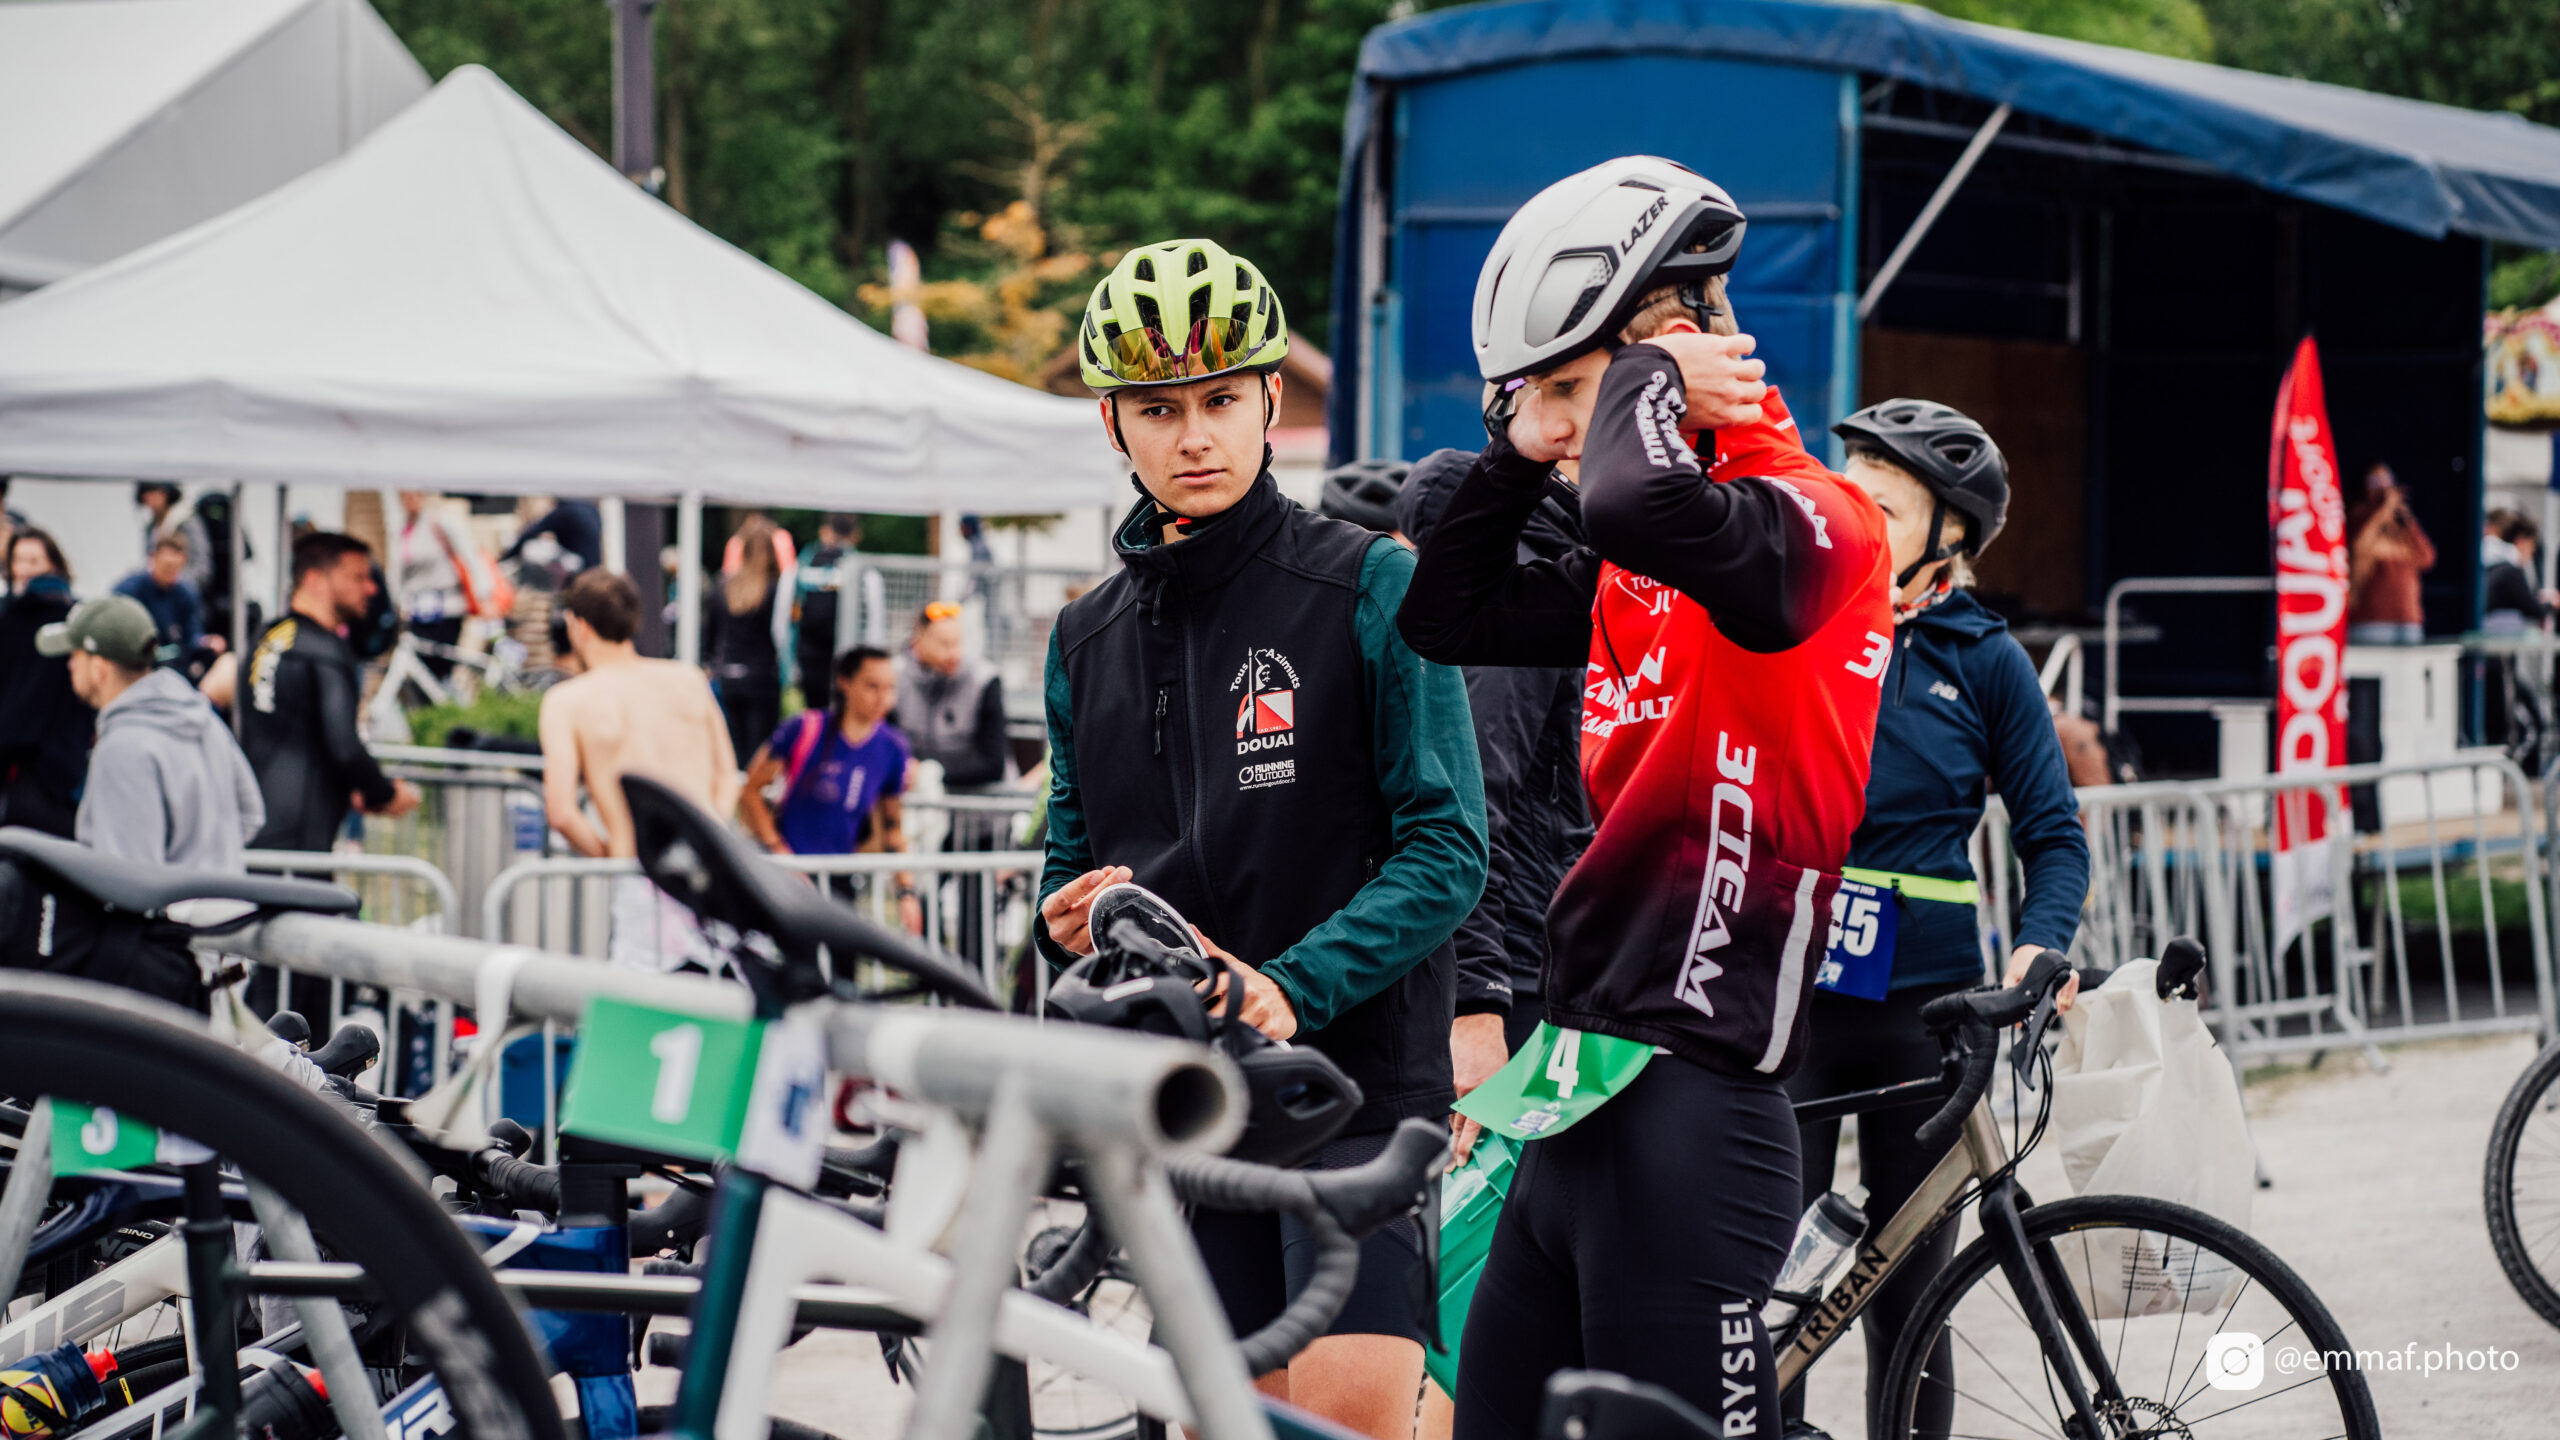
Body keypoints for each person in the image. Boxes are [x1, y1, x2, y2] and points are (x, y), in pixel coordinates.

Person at [1393, 156, 1892, 1440]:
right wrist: (1517, 441)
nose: (1559, 430)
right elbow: (1440, 616)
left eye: (1570, 391)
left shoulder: (1818, 523)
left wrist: (1651, 375)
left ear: (1672, 350)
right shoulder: (1633, 569)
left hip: (1695, 1113)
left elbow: (1633, 492)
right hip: (1574, 1092)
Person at [1036, 237, 1487, 1440]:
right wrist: (1060, 920)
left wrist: (1291, 985)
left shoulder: (1372, 583)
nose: (1195, 436)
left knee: (1347, 1422)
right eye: (1159, 409)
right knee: (1221, 1425)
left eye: (1222, 400)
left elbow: (1449, 848)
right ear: (1113, 423)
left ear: (1270, 402)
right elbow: (1066, 865)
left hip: (1355, 1086)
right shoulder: (1082, 638)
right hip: (1192, 1102)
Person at [1781, 399, 2091, 1440]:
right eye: (1846, 498)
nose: (1851, 521)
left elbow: (2054, 836)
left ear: (1949, 535)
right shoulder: (1790, 622)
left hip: (1929, 1014)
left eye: (1882, 507)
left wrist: (2040, 949)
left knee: (1910, 1295)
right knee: (1770, 1290)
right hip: (1784, 1004)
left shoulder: (1984, 659)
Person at [540, 569, 740, 972]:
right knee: (715, 996)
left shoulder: (568, 700)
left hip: (642, 873)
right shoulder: (687, 679)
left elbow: (561, 812)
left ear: (578, 626)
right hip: (712, 869)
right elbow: (727, 776)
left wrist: (612, 856)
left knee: (639, 1001)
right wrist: (710, 833)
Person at [48, 595, 264, 871]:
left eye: (75, 656)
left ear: (99, 668)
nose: (70, 665)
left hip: (170, 900)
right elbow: (250, 814)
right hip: (226, 895)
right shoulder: (203, 720)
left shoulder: (122, 747)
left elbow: (127, 877)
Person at [243, 533, 421, 852]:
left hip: (255, 827)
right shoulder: (324, 651)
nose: (371, 589)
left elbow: (299, 736)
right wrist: (385, 794)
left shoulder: (270, 637)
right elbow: (345, 747)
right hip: (299, 844)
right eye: (357, 577)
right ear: (315, 580)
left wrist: (353, 788)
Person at [736, 645, 924, 932]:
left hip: (840, 876)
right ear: (845, 683)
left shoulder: (894, 748)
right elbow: (751, 791)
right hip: (786, 871)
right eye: (872, 686)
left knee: (841, 955)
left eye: (890, 688)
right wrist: (779, 851)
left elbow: (892, 828)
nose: (883, 698)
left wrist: (906, 892)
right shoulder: (805, 728)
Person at [0, 529, 92, 836]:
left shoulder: (17, 617)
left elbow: (23, 706)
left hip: (34, 772)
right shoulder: (75, 614)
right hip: (62, 770)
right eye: (18, 560)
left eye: (34, 560)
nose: (24, 568)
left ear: (53, 563)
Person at [707, 514, 791, 764]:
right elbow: (781, 634)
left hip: (728, 675)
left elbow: (710, 634)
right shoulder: (775, 587)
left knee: (733, 753)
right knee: (759, 755)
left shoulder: (722, 584)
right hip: (762, 678)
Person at [390, 490, 501, 678]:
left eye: (415, 494)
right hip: (415, 611)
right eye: (405, 496)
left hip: (445, 608)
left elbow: (471, 556)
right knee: (420, 671)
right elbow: (396, 573)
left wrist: (485, 595)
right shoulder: (400, 528)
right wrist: (395, 604)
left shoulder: (439, 522)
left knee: (440, 669)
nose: (411, 500)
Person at [792, 514, 885, 692]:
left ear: (825, 531)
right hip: (848, 657)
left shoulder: (806, 563)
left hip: (808, 653)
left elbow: (790, 612)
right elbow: (875, 621)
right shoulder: (863, 570)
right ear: (856, 535)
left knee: (815, 705)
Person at [2345, 463, 2435, 645]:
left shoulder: (2401, 523)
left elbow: (2426, 558)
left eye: (2386, 479)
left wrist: (2406, 519)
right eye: (2375, 480)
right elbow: (2359, 546)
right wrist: (2384, 510)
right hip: (2370, 619)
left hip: (2406, 618)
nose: (2383, 487)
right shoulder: (2357, 515)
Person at [114, 536, 207, 663]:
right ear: (153, 558)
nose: (170, 571)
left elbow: (193, 633)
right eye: (166, 566)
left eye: (175, 567)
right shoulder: (129, 590)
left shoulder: (187, 593)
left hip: (176, 662)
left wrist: (204, 642)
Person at [136, 484, 216, 597]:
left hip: (183, 595)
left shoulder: (187, 522)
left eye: (153, 492)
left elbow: (202, 568)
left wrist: (174, 582)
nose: (148, 498)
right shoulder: (152, 526)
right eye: (145, 494)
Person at [502, 498, 603, 576]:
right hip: (595, 567)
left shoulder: (563, 512)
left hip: (582, 569)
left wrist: (505, 558)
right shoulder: (591, 509)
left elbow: (529, 533)